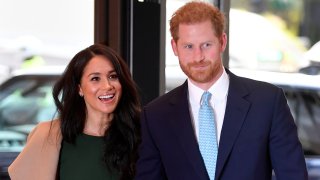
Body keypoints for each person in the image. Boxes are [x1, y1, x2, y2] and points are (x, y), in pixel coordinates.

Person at [135, 1, 308, 180]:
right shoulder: (155, 115)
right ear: (174, 47)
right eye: (188, 46)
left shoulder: (267, 102)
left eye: (206, 45)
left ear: (222, 42)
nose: (198, 57)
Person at [8, 44, 141, 180]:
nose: (107, 86)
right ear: (79, 89)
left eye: (113, 76)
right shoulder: (50, 135)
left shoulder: (139, 134)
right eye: (95, 79)